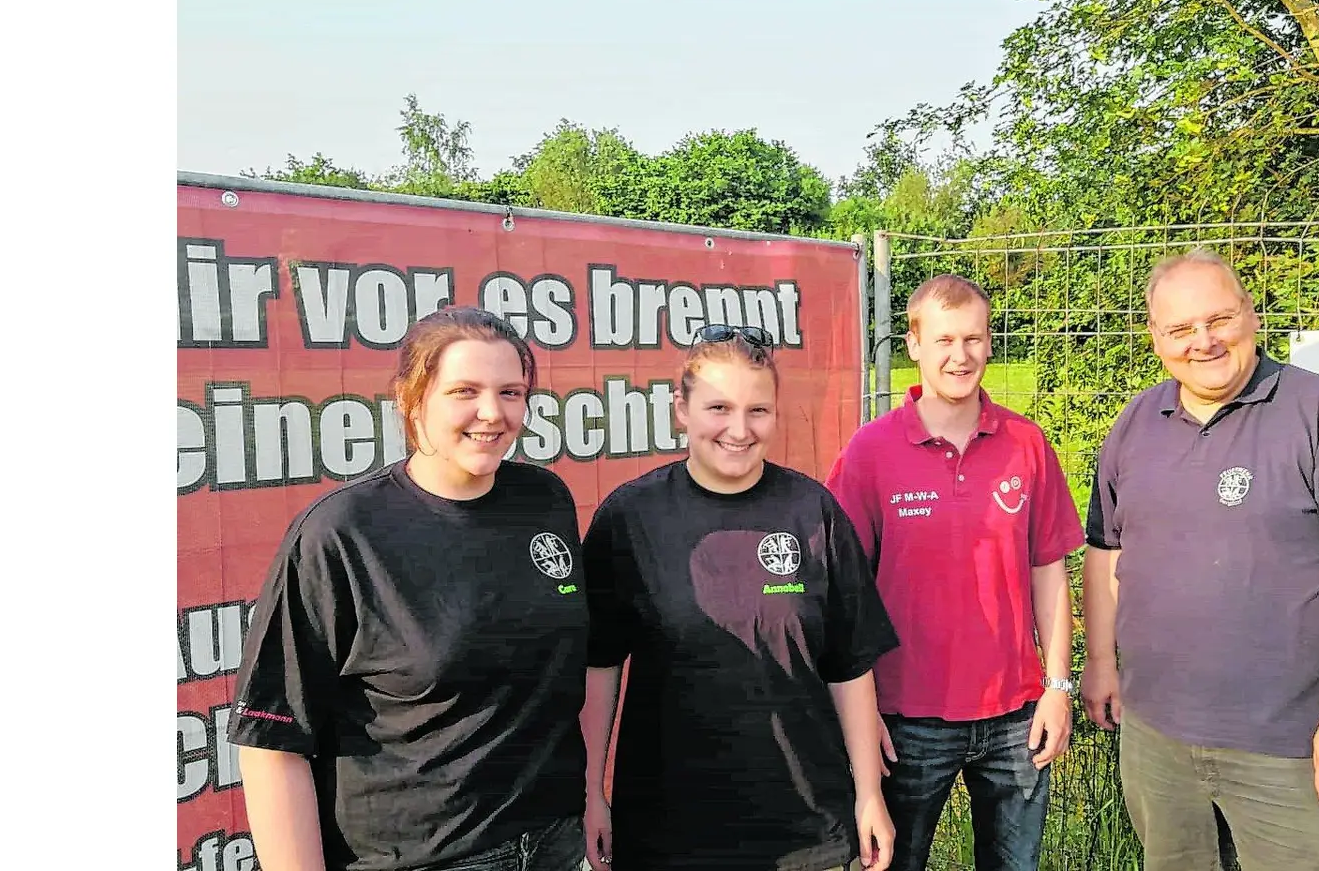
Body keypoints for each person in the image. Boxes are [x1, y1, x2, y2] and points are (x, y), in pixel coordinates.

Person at [227, 306, 589, 871]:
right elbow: (272, 742)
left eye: (511, 392)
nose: (491, 414)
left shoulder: (544, 500)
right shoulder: (342, 532)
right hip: (418, 857)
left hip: (552, 842)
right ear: (413, 398)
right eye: (464, 391)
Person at [1080, 249, 1319, 871]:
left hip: (1290, 748)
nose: (1204, 342)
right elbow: (1107, 550)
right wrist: (1102, 663)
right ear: (1155, 338)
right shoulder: (1137, 421)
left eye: (1220, 319)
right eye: (1181, 329)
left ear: (1252, 315)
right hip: (1157, 739)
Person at [579, 323, 900, 871]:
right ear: (680, 408)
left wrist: (868, 794)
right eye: (718, 408)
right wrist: (590, 794)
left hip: (806, 826)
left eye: (758, 411)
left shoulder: (812, 511)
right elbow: (598, 666)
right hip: (668, 830)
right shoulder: (630, 518)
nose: (739, 429)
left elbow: (849, 666)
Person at [823, 274, 1086, 871]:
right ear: (914, 344)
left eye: (973, 338)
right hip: (906, 717)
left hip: (1018, 715)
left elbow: (1049, 569)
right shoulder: (870, 451)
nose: (959, 356)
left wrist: (1057, 687)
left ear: (990, 344)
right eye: (943, 339)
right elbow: (843, 595)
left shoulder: (1026, 443)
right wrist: (863, 721)